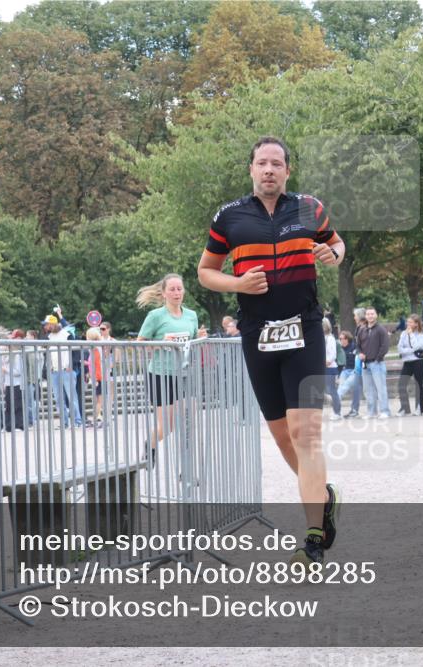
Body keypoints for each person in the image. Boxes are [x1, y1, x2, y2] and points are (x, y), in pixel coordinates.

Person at [196, 136, 344, 568]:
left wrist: (330, 254)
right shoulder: (229, 217)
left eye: (276, 163)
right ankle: (324, 496)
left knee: (306, 433)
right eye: (262, 163)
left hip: (305, 328)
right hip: (257, 334)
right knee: (282, 436)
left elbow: (337, 246)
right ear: (251, 169)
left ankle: (313, 538)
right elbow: (206, 273)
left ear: (287, 171)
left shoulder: (310, 208)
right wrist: (238, 284)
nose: (269, 170)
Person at [137, 273, 207, 457]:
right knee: (167, 427)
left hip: (183, 374)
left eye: (179, 289)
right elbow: (140, 342)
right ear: (164, 293)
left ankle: (188, 469)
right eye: (172, 289)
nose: (177, 293)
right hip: (160, 374)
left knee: (189, 423)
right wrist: (160, 344)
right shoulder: (155, 316)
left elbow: (191, 340)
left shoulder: (191, 316)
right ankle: (150, 444)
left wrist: (199, 338)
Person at [45, 316, 81, 429]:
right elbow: (48, 354)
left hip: (66, 369)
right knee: (58, 399)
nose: (45, 326)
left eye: (47, 324)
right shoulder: (49, 337)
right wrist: (48, 367)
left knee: (72, 397)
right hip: (54, 370)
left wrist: (72, 365)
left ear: (52, 324)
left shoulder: (66, 334)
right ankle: (64, 422)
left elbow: (76, 350)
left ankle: (77, 421)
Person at [357, 306, 391, 419]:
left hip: (377, 364)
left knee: (381, 388)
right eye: (368, 314)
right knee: (368, 390)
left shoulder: (381, 329)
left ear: (376, 315)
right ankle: (371, 412)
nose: (370, 316)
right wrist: (360, 353)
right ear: (365, 316)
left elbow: (385, 346)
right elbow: (358, 346)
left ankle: (385, 411)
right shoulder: (362, 329)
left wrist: (377, 359)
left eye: (372, 314)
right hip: (365, 365)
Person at [396, 314, 423, 416]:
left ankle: (419, 408)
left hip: (418, 361)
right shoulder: (404, 333)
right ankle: (405, 408)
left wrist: (411, 335)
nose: (408, 324)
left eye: (410, 322)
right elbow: (400, 348)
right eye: (407, 322)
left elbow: (417, 346)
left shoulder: (422, 333)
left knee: (418, 384)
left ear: (416, 324)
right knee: (401, 384)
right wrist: (410, 350)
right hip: (407, 361)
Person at [1, 330, 27, 431]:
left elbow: (18, 371)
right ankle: (8, 426)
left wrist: (6, 370)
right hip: (8, 384)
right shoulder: (8, 356)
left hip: (16, 384)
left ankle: (18, 425)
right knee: (8, 406)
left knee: (17, 406)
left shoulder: (17, 355)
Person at [336, 329, 362, 418]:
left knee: (351, 389)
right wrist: (338, 376)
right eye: (340, 339)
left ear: (348, 339)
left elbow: (358, 361)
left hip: (354, 371)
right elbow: (338, 363)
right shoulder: (339, 349)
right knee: (340, 389)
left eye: (343, 338)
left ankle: (354, 411)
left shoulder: (354, 347)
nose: (341, 340)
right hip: (344, 371)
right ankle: (337, 412)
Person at [323, 320, 342, 421]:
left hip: (329, 368)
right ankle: (336, 410)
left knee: (331, 390)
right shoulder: (323, 338)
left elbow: (332, 355)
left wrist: (326, 361)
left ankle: (337, 412)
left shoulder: (330, 338)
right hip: (324, 367)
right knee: (327, 390)